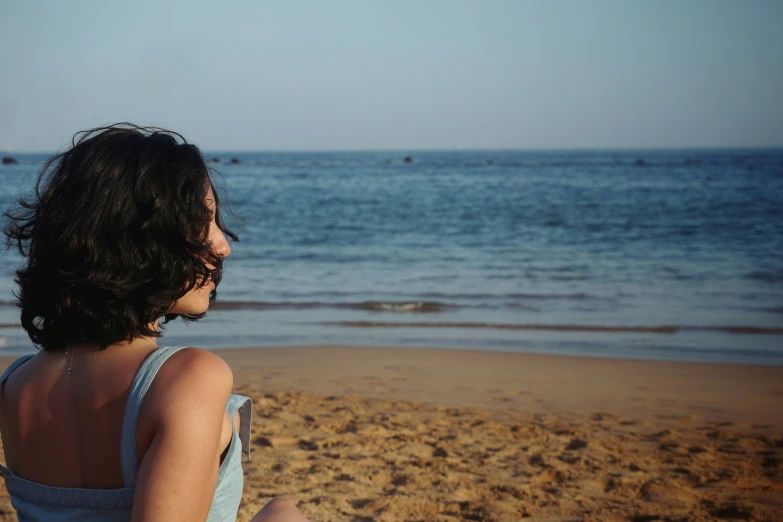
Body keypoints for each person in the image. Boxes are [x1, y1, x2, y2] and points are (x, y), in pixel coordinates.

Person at [0, 124, 310, 521]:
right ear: (142, 239)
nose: (223, 245)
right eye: (205, 222)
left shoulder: (15, 385)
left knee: (281, 509)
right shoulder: (188, 378)